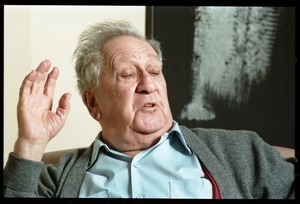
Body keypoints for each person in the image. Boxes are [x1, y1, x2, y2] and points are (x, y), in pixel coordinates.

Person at [3, 20, 297, 199]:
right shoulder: (56, 178)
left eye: (155, 72)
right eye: (128, 75)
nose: (148, 85)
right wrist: (30, 144)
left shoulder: (241, 151)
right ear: (93, 103)